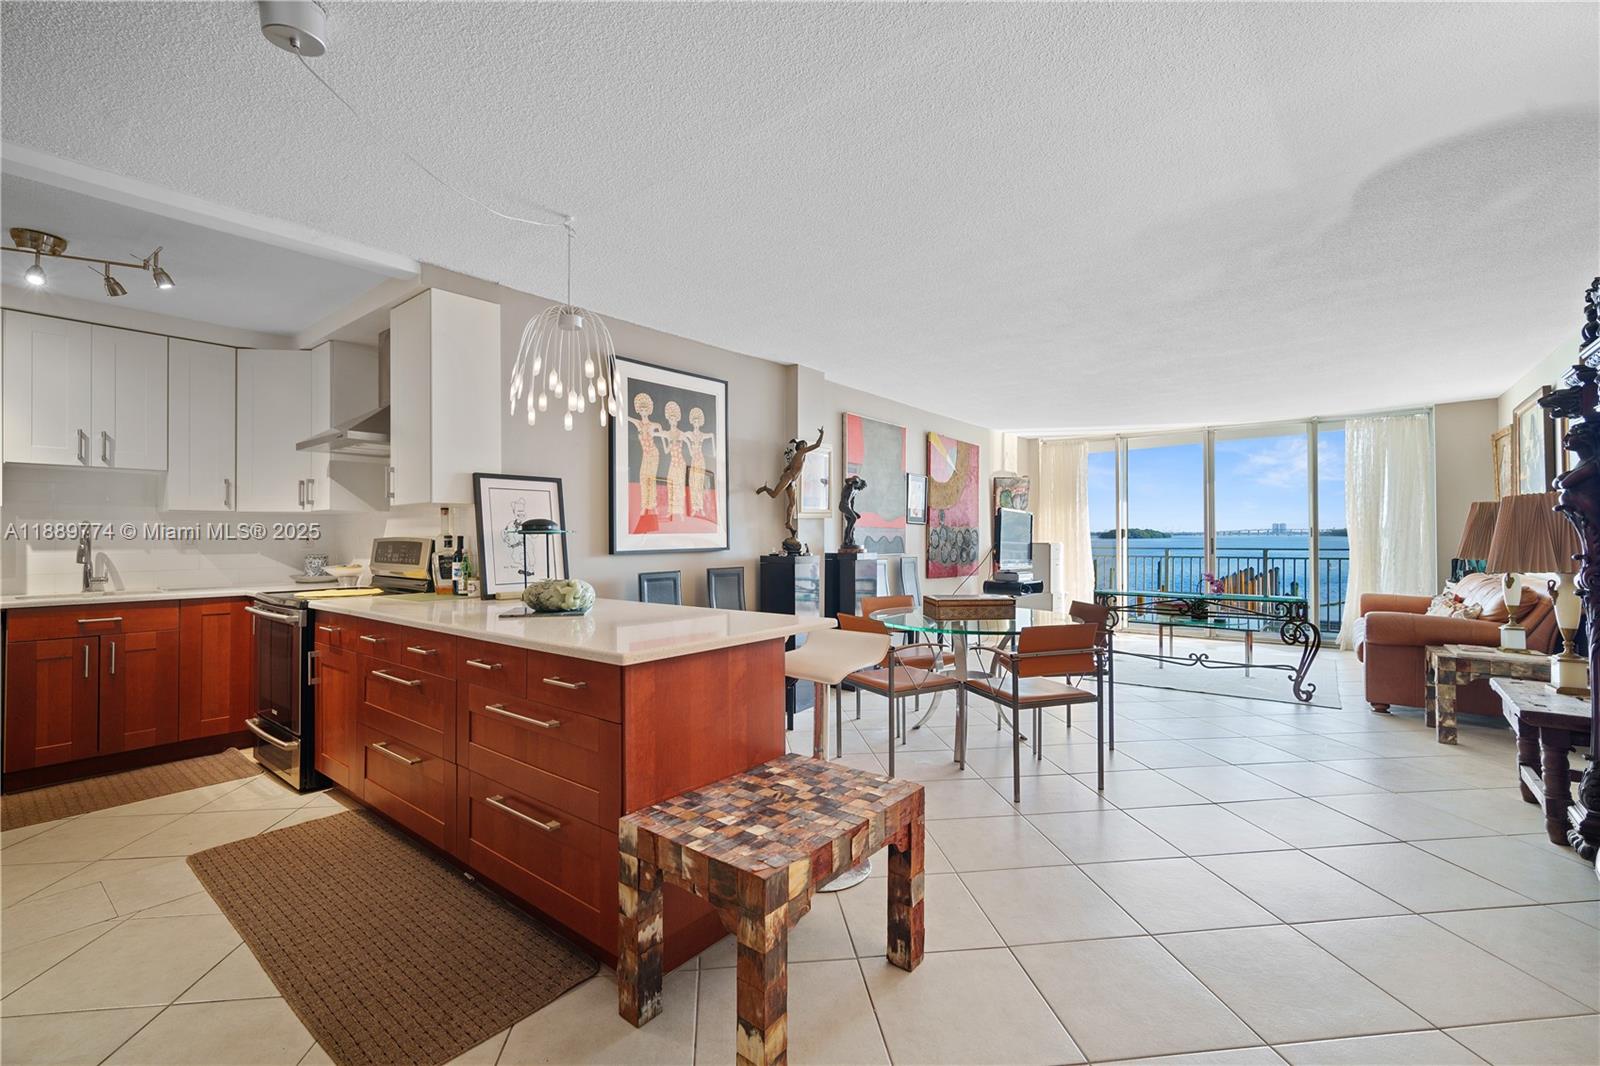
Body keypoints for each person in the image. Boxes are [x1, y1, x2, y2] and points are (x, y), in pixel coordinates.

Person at [629, 393, 663, 516]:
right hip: (646, 454)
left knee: (651, 479)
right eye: (641, 409)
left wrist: (658, 435)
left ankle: (653, 505)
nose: (643, 411)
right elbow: (626, 417)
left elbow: (663, 436)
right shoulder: (638, 423)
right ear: (638, 409)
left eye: (645, 408)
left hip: (653, 453)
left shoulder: (655, 425)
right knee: (643, 477)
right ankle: (644, 505)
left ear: (649, 409)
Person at [684, 407, 716, 517]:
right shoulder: (689, 434)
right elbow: (681, 436)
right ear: (692, 422)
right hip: (694, 460)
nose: (696, 423)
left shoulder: (702, 435)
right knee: (693, 483)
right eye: (694, 421)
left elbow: (712, 435)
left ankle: (701, 507)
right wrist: (689, 447)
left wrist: (714, 451)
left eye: (698, 421)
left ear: (700, 422)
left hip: (701, 460)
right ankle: (694, 507)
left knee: (701, 484)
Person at [660, 401, 688, 519]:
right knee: (670, 485)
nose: (673, 421)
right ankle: (671, 510)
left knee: (680, 486)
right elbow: (666, 451)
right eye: (671, 418)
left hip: (680, 463)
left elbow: (687, 442)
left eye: (675, 418)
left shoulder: (681, 434)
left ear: (677, 419)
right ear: (668, 419)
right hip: (673, 462)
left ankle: (681, 511)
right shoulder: (667, 434)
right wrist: (662, 438)